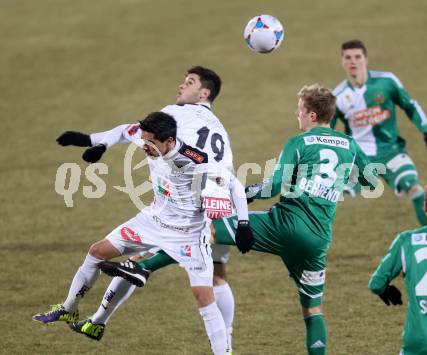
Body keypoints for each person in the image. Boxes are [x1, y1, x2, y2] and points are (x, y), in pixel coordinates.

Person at [100, 84, 378, 355]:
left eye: (300, 110)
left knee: (206, 229)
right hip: (318, 239)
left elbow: (273, 186)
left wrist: (242, 194)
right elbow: (370, 180)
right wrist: (337, 184)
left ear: (312, 115)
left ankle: (145, 267)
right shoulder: (350, 145)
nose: (297, 114)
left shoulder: (299, 142)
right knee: (313, 310)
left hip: (284, 224)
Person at [33, 112, 254, 355]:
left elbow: (233, 185)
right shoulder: (147, 137)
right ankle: (69, 308)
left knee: (204, 297)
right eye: (144, 140)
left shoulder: (194, 159)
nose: (144, 146)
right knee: (97, 252)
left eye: (151, 143)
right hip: (151, 222)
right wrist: (93, 142)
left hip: (188, 234)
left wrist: (243, 224)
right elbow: (122, 130)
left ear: (169, 141)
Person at [331, 39, 427, 226]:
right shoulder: (337, 97)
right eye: (348, 58)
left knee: (417, 191)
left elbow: (410, 105)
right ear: (342, 62)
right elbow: (326, 130)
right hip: (358, 158)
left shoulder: (386, 82)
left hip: (391, 152)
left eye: (357, 57)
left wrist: (426, 130)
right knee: (327, 196)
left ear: (366, 59)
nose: (353, 61)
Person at [369, 178, 427, 355]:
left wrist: (384, 289)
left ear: (425, 207)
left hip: (419, 341)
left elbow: (376, 283)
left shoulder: (406, 241)